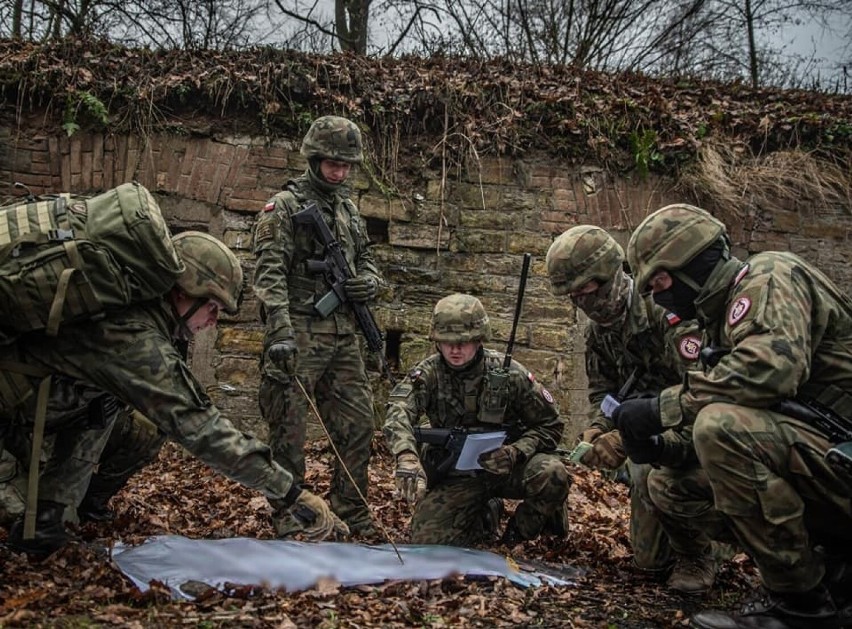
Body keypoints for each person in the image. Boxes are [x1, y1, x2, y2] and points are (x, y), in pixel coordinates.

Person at [1, 228, 347, 556]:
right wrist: (290, 493)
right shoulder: (132, 337)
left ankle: (51, 520)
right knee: (10, 512)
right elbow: (200, 427)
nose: (212, 321)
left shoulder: (137, 314)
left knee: (124, 415)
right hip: (14, 423)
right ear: (183, 291)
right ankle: (38, 517)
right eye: (212, 307)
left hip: (36, 410)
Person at [620, 203, 852, 627]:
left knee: (721, 427)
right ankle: (827, 571)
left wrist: (662, 408)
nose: (661, 296)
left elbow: (770, 371)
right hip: (824, 462)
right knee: (672, 485)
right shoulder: (717, 323)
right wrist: (659, 447)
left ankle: (800, 606)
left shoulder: (770, 276)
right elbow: (740, 427)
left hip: (842, 458)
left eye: (662, 281)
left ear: (690, 263)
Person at [545, 225, 712, 592]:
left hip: (695, 426)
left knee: (644, 472)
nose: (585, 305)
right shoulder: (597, 332)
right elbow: (604, 392)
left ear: (614, 274)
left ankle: (698, 554)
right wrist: (597, 428)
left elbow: (703, 393)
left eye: (589, 292)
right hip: (642, 430)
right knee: (649, 562)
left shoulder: (666, 311)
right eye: (574, 297)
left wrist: (626, 435)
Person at [252, 115, 384, 538]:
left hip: (343, 337)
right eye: (332, 163)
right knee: (288, 429)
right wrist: (280, 332)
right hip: (299, 331)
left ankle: (353, 511)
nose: (339, 172)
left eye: (346, 165)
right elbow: (269, 272)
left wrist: (370, 283)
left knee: (359, 423)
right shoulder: (285, 206)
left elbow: (367, 260)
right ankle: (293, 513)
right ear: (314, 157)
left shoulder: (348, 209)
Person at [383, 293, 571, 546]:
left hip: (509, 469)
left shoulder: (509, 374)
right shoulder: (428, 374)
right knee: (427, 540)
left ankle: (521, 533)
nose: (455, 349)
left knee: (552, 473)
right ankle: (485, 514)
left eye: (464, 341)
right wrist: (406, 455)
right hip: (459, 473)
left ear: (480, 338)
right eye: (446, 341)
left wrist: (516, 452)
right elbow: (398, 410)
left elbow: (551, 425)